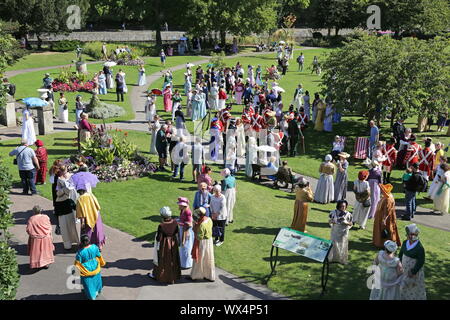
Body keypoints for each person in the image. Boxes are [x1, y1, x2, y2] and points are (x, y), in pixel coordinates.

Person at [149, 207, 181, 283]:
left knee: (163, 259)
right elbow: (177, 232)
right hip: (173, 242)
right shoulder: (175, 222)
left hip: (165, 245)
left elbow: (158, 238)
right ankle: (174, 275)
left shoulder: (161, 225)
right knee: (173, 258)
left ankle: (162, 276)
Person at [399, 224, 427, 300]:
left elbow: (421, 261)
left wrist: (413, 272)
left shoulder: (419, 248)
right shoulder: (405, 242)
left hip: (413, 272)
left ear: (416, 235)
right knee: (403, 286)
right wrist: (399, 264)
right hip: (404, 270)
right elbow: (401, 254)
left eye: (411, 234)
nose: (408, 236)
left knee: (412, 288)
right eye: (408, 234)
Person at [55, 165, 79, 250]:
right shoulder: (59, 179)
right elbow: (58, 191)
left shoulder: (69, 176)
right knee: (67, 224)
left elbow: (59, 192)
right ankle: (70, 243)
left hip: (67, 201)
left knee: (68, 224)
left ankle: (71, 242)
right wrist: (65, 189)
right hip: (65, 201)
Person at [75, 234, 106, 300]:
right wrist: (102, 263)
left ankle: (92, 296)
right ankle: (97, 291)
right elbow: (99, 255)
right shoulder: (94, 247)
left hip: (86, 271)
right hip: (95, 267)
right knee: (96, 280)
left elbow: (77, 263)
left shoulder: (80, 252)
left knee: (89, 284)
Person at [373, 183, 401, 248]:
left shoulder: (388, 199)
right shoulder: (387, 196)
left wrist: (384, 219)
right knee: (386, 229)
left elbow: (387, 210)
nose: (381, 191)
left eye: (382, 190)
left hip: (385, 217)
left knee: (386, 229)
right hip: (383, 216)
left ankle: (383, 243)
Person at [190, 207, 215, 281]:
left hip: (202, 242)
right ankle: (209, 276)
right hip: (209, 241)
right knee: (208, 259)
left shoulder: (201, 225)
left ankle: (195, 275)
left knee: (199, 259)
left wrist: (194, 227)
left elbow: (199, 237)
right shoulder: (209, 219)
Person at [328, 200, 353, 264]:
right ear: (338, 206)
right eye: (341, 206)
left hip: (344, 233)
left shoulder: (349, 214)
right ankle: (332, 258)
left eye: (344, 206)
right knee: (334, 245)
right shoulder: (333, 212)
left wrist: (346, 222)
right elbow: (330, 221)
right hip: (335, 231)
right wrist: (335, 222)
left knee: (343, 245)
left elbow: (351, 224)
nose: (343, 208)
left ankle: (341, 260)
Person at [176, 197, 194, 269]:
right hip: (182, 230)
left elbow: (190, 224)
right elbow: (182, 219)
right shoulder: (182, 210)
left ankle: (187, 264)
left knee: (186, 247)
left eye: (180, 205)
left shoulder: (187, 212)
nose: (179, 206)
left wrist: (179, 223)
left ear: (184, 205)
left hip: (186, 232)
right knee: (182, 247)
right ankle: (182, 262)